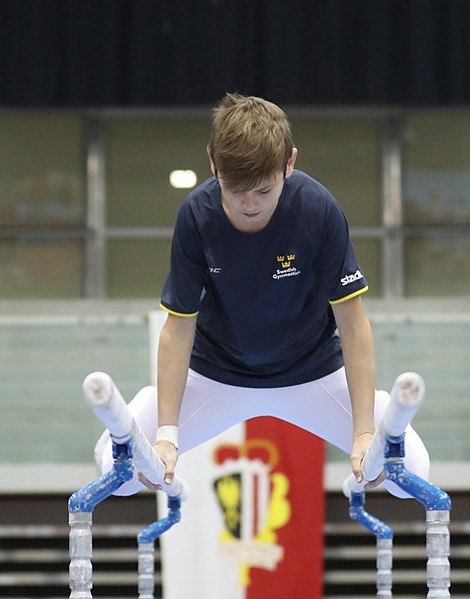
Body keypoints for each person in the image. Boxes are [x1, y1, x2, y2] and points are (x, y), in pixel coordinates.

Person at [96, 93, 429, 498]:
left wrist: (363, 432)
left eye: (263, 190)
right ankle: (146, 409)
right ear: (212, 163)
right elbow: (178, 327)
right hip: (217, 374)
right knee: (121, 474)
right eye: (235, 190)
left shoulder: (317, 210)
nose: (249, 204)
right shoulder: (197, 216)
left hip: (313, 373)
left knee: (410, 470)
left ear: (289, 163)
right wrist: (166, 434)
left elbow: (353, 323)